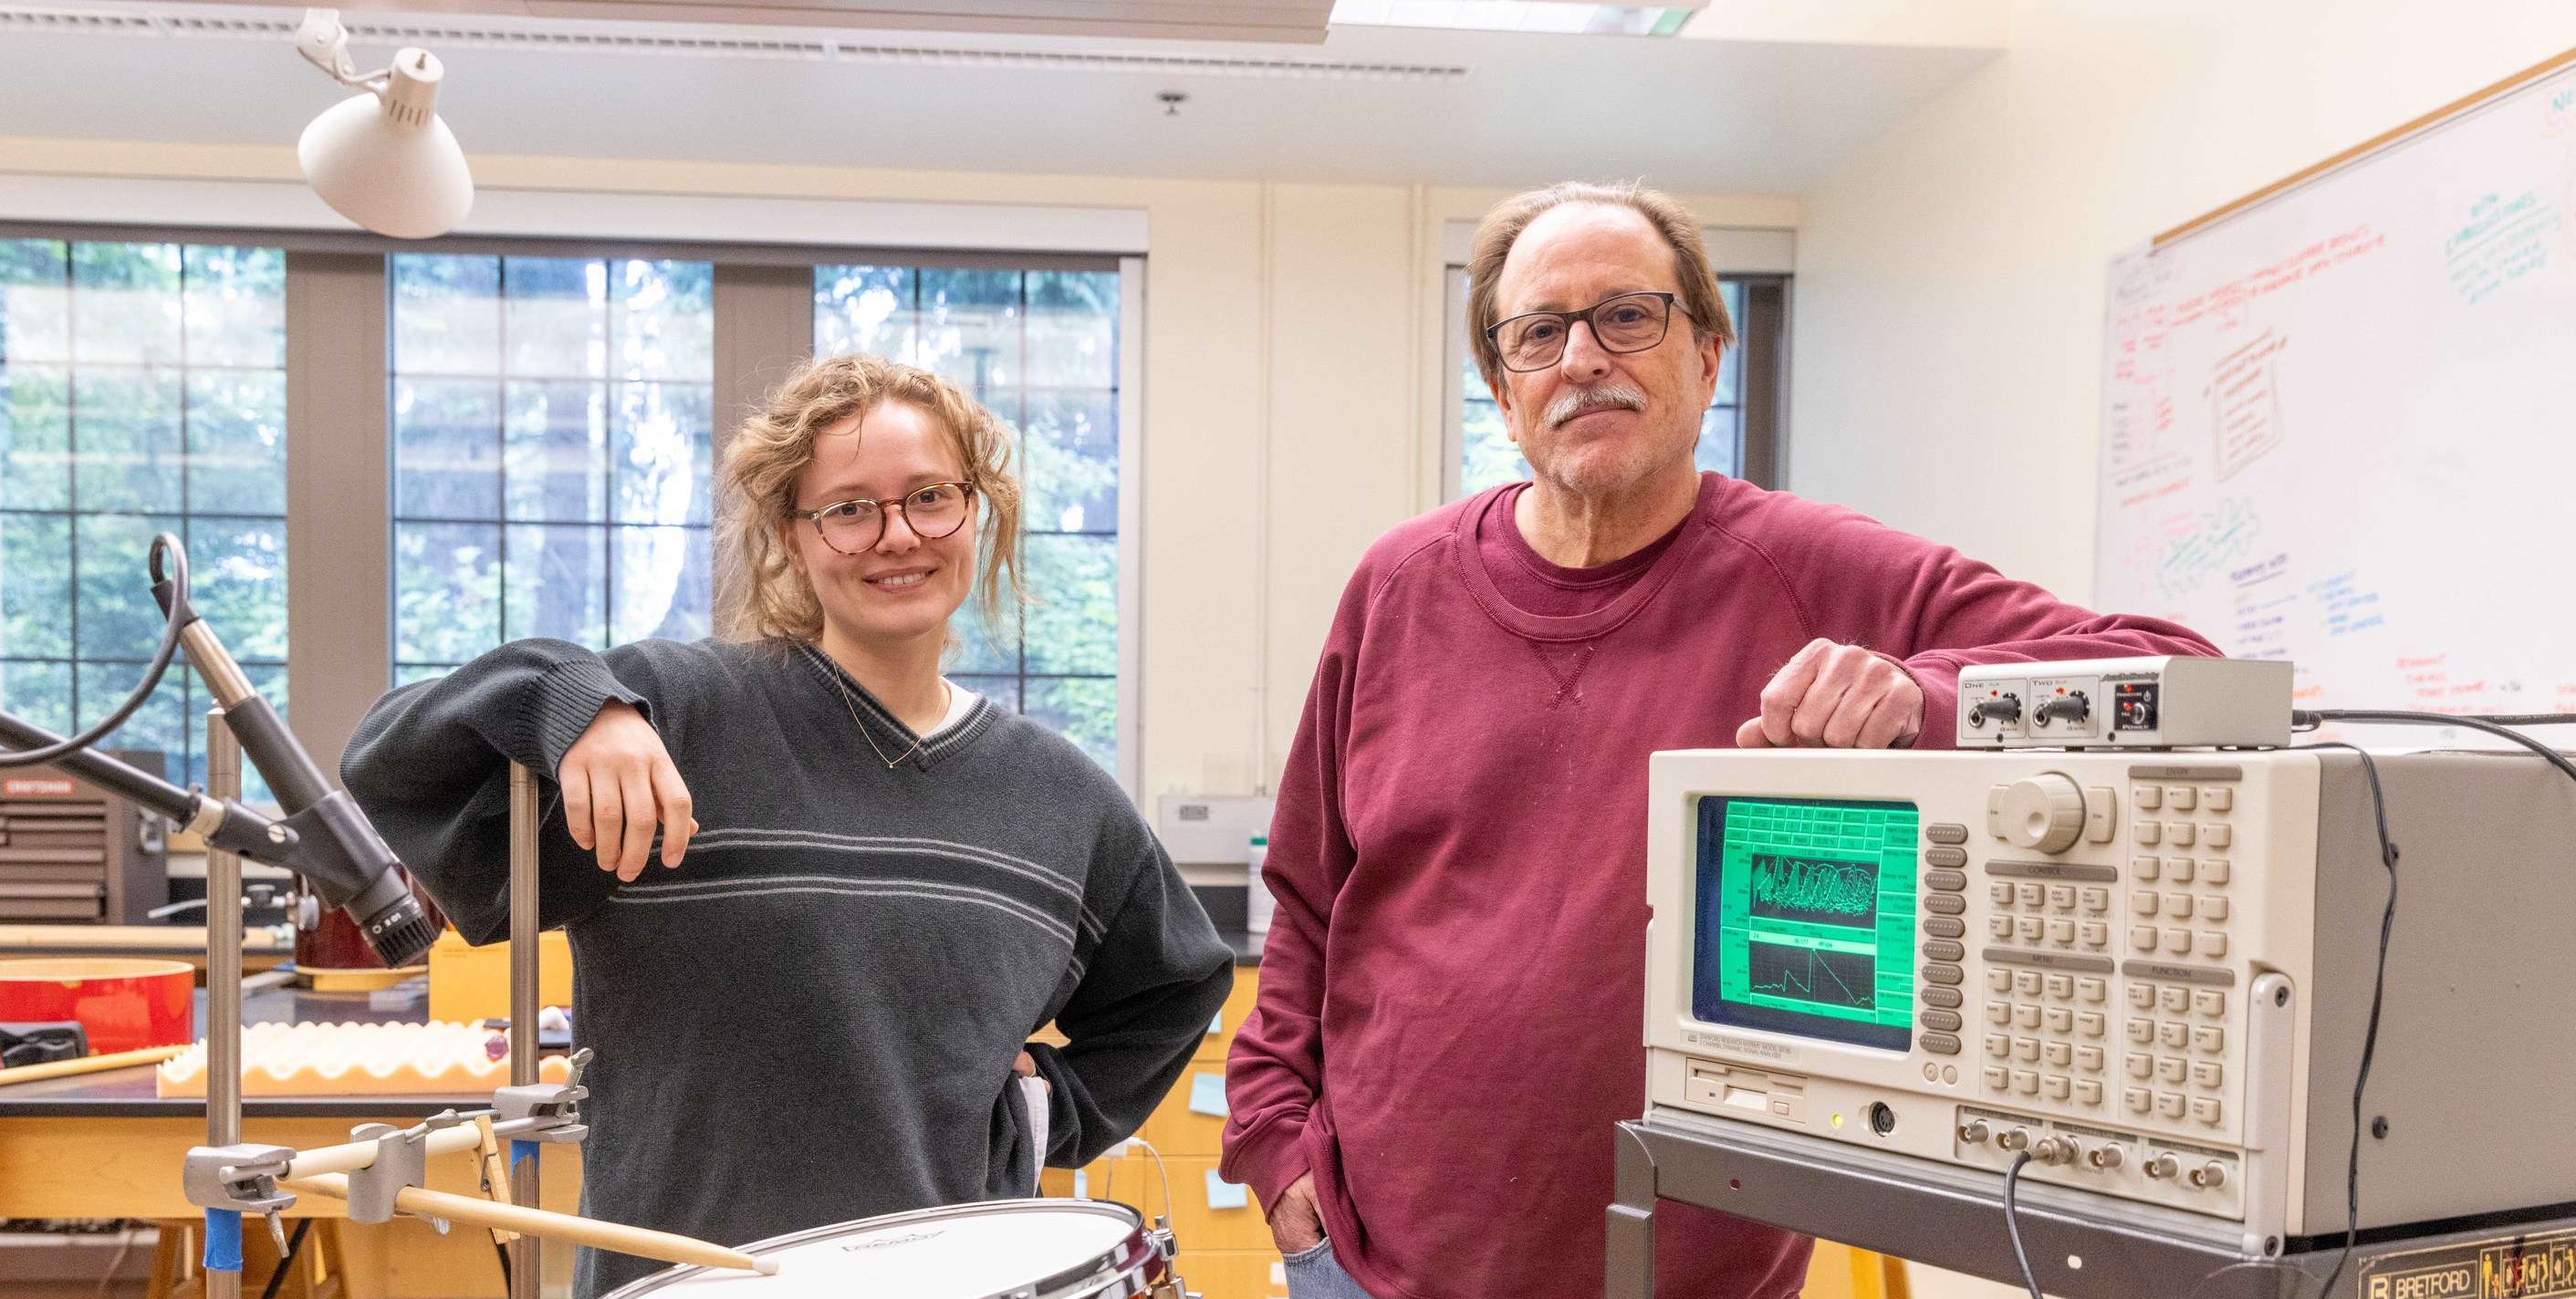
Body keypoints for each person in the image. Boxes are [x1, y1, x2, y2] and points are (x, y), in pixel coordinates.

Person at [1216, 182, 2222, 1299]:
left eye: (1626, 317)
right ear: (1503, 395)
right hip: (1366, 1260)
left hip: (1685, 1268)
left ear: (1706, 357)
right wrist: (1270, 1140)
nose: (1583, 356)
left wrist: (1919, 696)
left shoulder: (1812, 566)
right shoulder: (1396, 586)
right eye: (1539, 333)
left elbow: (2174, 665)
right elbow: (1308, 893)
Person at [344, 353, 1232, 1296]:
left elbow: (1176, 982)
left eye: (929, 496)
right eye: (848, 508)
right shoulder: (675, 715)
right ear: (788, 535)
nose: (897, 535)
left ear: (976, 508)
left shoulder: (1061, 800)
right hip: (680, 1283)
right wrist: (571, 705)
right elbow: (389, 752)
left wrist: (1041, 1113)